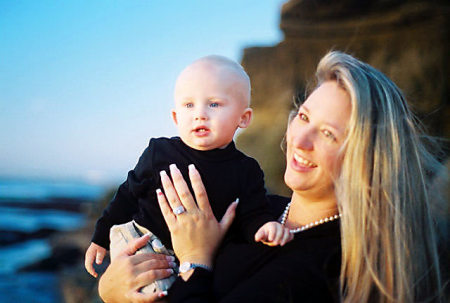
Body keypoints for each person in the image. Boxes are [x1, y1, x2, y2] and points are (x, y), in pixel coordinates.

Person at [98, 51, 446, 302]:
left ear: (369, 161)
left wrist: (195, 260)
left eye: (329, 134)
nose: (301, 141)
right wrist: (109, 287)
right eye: (305, 117)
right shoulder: (257, 209)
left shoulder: (327, 265)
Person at [85, 55, 292, 292]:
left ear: (243, 118)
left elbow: (252, 213)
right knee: (154, 291)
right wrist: (100, 237)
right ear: (175, 117)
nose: (200, 114)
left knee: (192, 289)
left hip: (195, 257)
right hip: (142, 239)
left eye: (214, 104)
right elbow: (128, 194)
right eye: (189, 105)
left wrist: (264, 227)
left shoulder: (246, 170)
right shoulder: (159, 152)